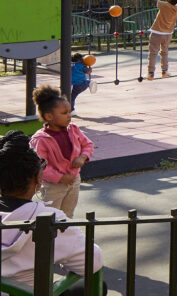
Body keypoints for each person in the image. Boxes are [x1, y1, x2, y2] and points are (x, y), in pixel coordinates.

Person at [0, 132, 103, 296]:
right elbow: (92, 260)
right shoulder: (49, 218)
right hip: (30, 292)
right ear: (38, 178)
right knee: (95, 284)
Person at [30, 86, 93, 216]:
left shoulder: (73, 129)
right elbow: (40, 166)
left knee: (67, 214)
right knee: (50, 215)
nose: (69, 115)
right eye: (64, 113)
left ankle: (64, 234)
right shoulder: (41, 139)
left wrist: (82, 157)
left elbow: (88, 144)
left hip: (74, 180)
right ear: (49, 116)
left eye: (69, 112)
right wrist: (60, 178)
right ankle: (50, 236)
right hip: (53, 186)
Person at [147, 0, 177, 80]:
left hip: (157, 33)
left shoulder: (164, 5)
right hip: (168, 34)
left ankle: (151, 73)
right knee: (164, 52)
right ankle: (164, 71)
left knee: (153, 53)